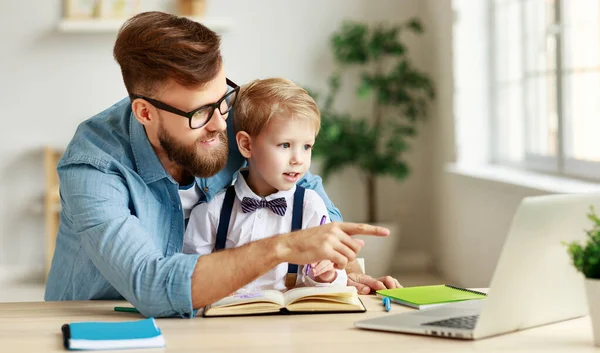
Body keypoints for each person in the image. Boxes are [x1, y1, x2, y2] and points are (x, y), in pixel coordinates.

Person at [44, 11, 400, 318]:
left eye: (223, 98)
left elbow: (305, 190)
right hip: (105, 322)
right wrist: (283, 246)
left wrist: (340, 264)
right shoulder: (93, 164)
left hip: (218, 316)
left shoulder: (231, 118)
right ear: (145, 112)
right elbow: (149, 284)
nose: (220, 124)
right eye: (199, 112)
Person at [183, 78, 347, 292]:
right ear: (246, 145)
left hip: (291, 321)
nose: (298, 159)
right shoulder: (213, 209)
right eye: (285, 145)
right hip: (227, 319)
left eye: (307, 146)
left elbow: (330, 281)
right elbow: (189, 274)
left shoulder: (311, 206)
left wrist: (327, 275)